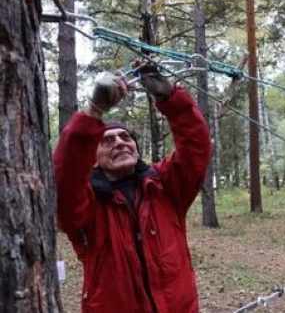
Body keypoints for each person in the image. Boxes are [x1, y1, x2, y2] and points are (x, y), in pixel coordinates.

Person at [53, 63, 212, 313]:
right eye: (107, 140)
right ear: (93, 158)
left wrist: (170, 97)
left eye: (125, 137)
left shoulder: (164, 186)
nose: (119, 142)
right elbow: (65, 179)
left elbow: (196, 148)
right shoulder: (87, 205)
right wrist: (94, 111)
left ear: (136, 149)